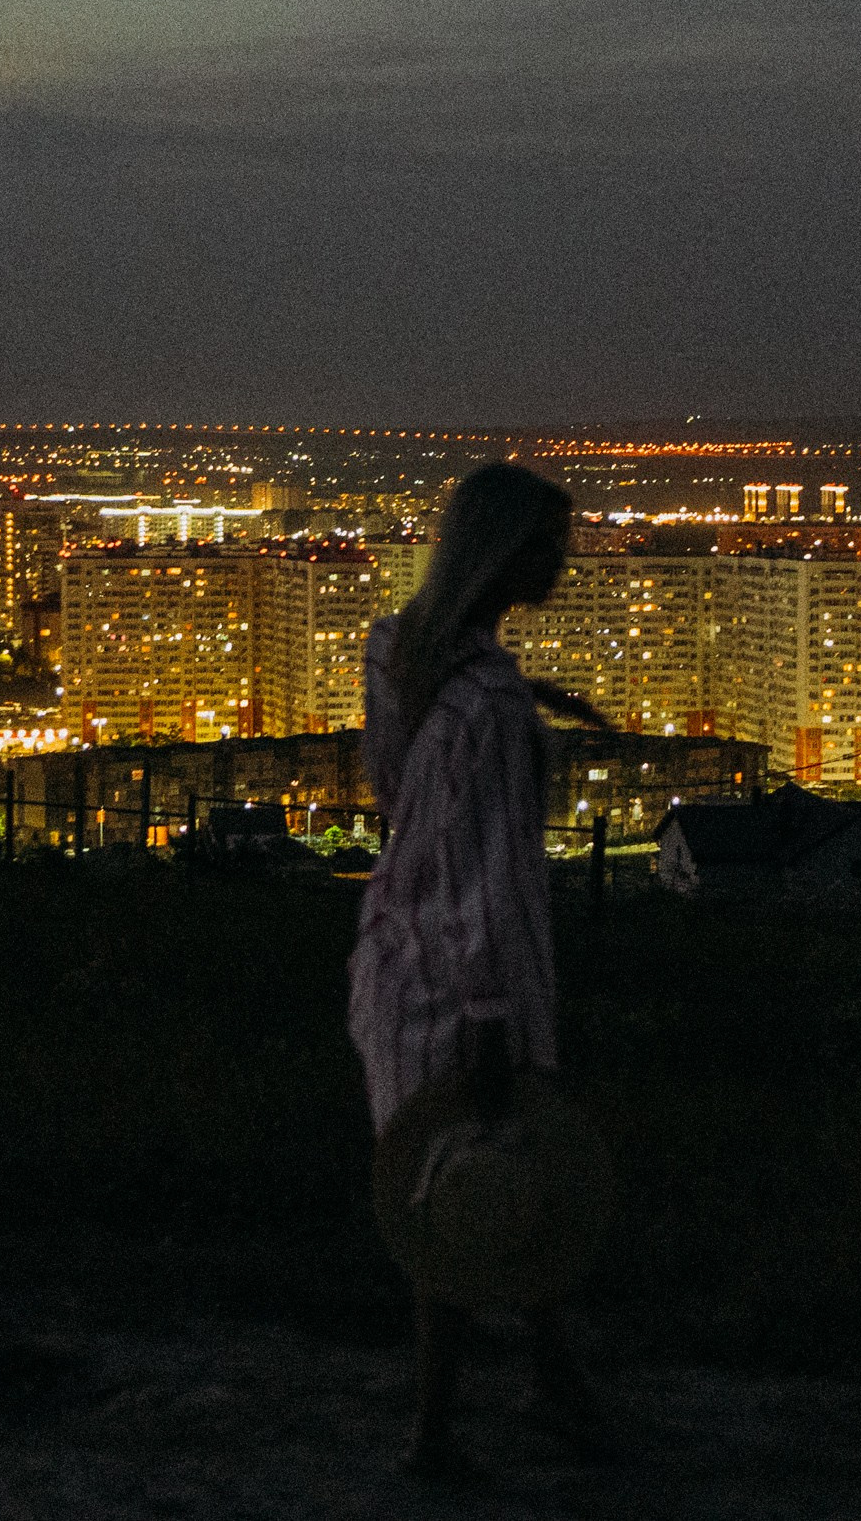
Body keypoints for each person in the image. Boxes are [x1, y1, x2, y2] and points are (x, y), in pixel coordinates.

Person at [350, 461, 612, 1481]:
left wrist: (524, 698)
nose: (563, 564)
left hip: (391, 956)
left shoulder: (395, 650)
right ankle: (432, 1436)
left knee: (484, 1184)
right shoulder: (491, 710)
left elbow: (396, 785)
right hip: (467, 987)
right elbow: (494, 880)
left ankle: (552, 1381)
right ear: (498, 552)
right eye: (547, 546)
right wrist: (496, 1018)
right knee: (461, 1199)